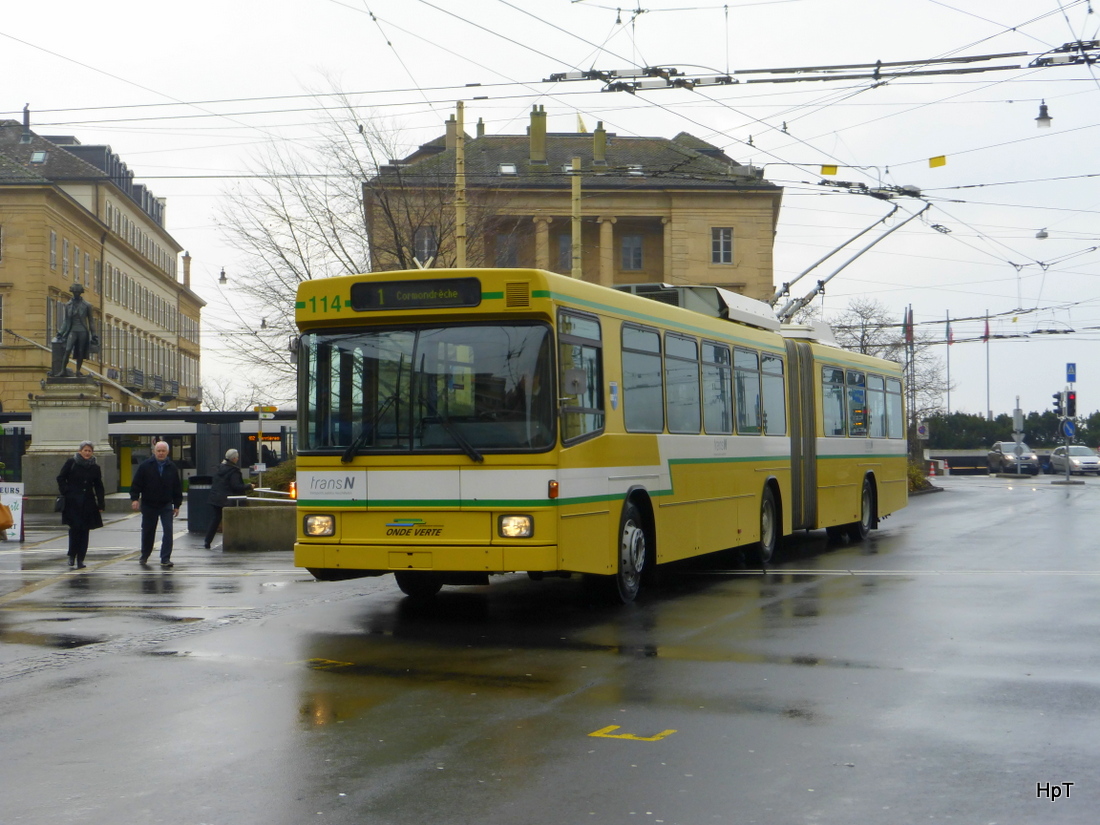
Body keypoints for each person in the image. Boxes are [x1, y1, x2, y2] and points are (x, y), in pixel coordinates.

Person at [130, 441, 183, 567]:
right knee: (148, 531)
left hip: (166, 504)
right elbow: (136, 484)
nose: (161, 453)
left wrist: (177, 505)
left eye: (163, 451)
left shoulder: (172, 467)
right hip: (149, 504)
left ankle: (165, 558)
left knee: (168, 531)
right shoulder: (145, 466)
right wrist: (135, 499)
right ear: (154, 451)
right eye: (158, 451)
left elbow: (177, 487)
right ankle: (145, 555)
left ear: (167, 452)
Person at [57, 441, 106, 569]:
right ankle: (72, 555)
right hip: (72, 502)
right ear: (80, 451)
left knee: (85, 531)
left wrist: (101, 503)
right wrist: (66, 491)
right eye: (85, 450)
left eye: (89, 451)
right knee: (74, 529)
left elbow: (98, 486)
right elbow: (61, 478)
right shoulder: (71, 463)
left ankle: (81, 559)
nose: (87, 453)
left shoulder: (95, 467)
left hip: (88, 503)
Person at [204, 449, 253, 549]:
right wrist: (249, 486)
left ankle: (207, 541)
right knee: (233, 520)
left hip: (216, 498)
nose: (238, 458)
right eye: (237, 457)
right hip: (227, 500)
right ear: (234, 458)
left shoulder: (220, 468)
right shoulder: (234, 471)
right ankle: (235, 541)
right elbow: (236, 486)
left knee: (215, 519)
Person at [53, 282, 96, 377]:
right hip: (72, 330)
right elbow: (66, 321)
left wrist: (94, 334)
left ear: (80, 292)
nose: (76, 294)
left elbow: (91, 321)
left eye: (78, 292)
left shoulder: (87, 305)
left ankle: (78, 371)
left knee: (80, 351)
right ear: (72, 292)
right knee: (67, 349)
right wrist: (61, 332)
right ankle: (63, 370)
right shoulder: (68, 305)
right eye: (75, 292)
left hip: (83, 331)